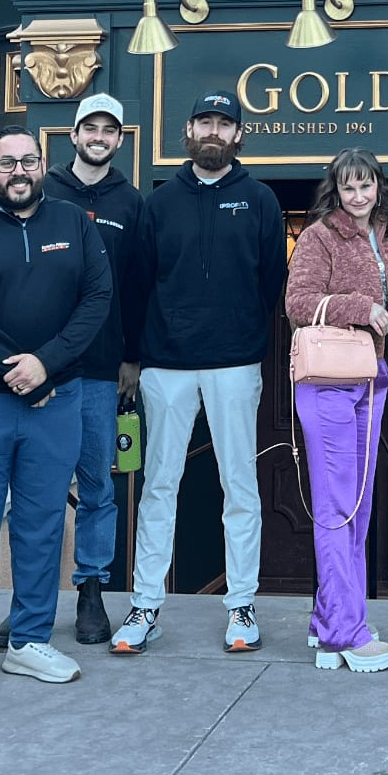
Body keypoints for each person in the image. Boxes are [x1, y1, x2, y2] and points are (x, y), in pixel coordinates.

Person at [0, 126, 111, 703]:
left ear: (42, 164)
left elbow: (97, 299)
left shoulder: (75, 224)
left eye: (27, 161)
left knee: (41, 524)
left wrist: (47, 365)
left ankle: (29, 640)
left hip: (57, 399)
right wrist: (18, 372)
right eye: (6, 163)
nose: (18, 172)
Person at [110, 88, 286, 655]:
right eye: (204, 121)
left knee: (241, 485)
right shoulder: (158, 202)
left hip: (236, 362)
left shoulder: (259, 199)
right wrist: (133, 356)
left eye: (224, 123)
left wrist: (247, 339)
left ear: (238, 135)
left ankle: (241, 607)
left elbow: (270, 285)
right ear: (188, 132)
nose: (214, 131)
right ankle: (144, 607)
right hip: (166, 366)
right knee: (159, 485)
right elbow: (138, 283)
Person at [0, 93, 143, 648]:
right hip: (41, 370)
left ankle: (92, 591)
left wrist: (134, 355)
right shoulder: (43, 190)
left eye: (109, 129)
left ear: (119, 138)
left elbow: (137, 286)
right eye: (89, 128)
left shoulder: (132, 204)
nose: (98, 136)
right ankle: (28, 599)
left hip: (102, 368)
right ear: (73, 135)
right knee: (35, 491)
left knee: (99, 486)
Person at [285, 148, 388, 673]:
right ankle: (344, 635)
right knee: (338, 507)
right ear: (336, 189)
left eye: (367, 185)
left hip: (371, 378)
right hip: (330, 382)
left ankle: (329, 615)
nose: (358, 196)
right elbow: (297, 303)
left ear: (378, 186)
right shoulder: (319, 235)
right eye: (349, 187)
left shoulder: (383, 234)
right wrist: (362, 308)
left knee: (358, 504)